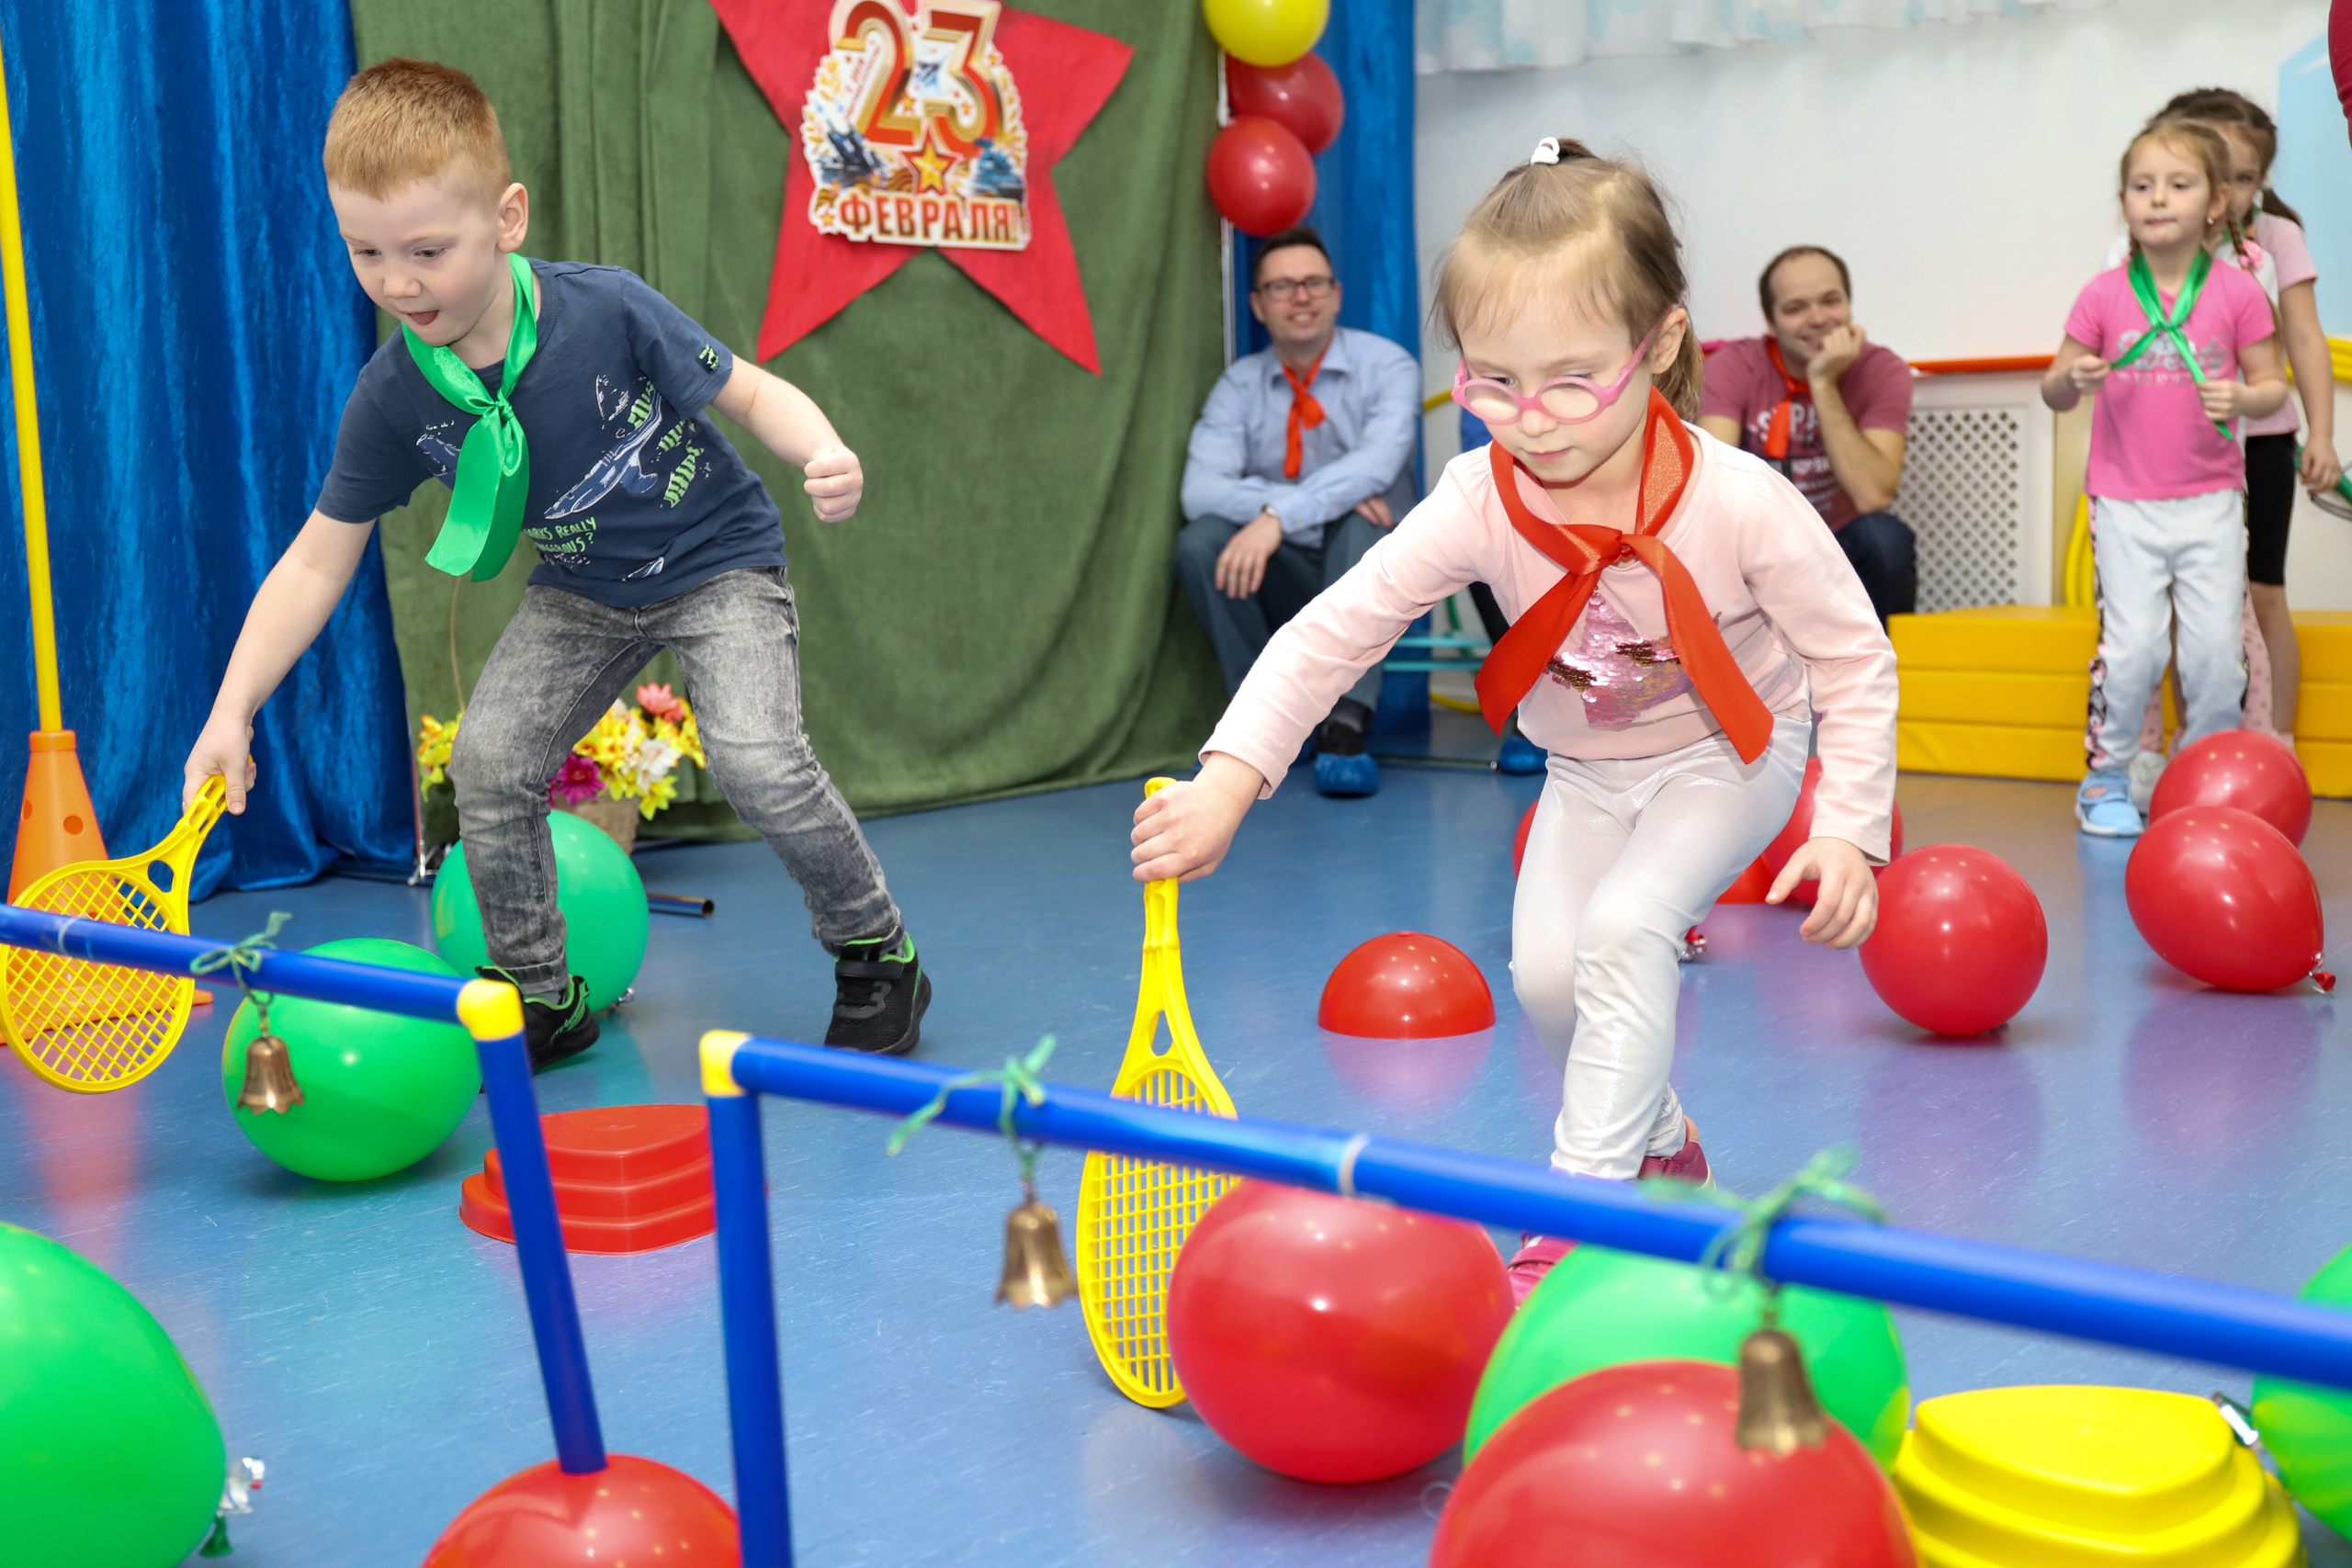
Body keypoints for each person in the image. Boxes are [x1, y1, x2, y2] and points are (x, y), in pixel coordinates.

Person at [1134, 138, 1896, 1304]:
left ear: (1662, 345)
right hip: (1584, 770)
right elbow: (1333, 631)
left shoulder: (1742, 503)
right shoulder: (1479, 497)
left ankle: (1574, 1210)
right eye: (1492, 380)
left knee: (1628, 931)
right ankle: (1659, 1143)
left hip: (1727, 751)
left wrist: (1843, 828)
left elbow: (1853, 659)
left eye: (1572, 380)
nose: (1529, 421)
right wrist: (1228, 781)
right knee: (1548, 978)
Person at [180, 60, 931, 1064]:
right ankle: (542, 993)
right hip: (584, 594)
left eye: (427, 250)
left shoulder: (605, 310)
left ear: (509, 218)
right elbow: (318, 560)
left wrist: (823, 450)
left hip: (718, 565)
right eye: (365, 251)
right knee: (488, 762)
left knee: (757, 759)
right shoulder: (396, 394)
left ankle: (876, 950)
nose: (397, 282)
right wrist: (231, 710)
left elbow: (749, 393)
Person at [2044, 118, 2287, 837]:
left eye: (2178, 186)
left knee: (2215, 652)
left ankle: (2203, 772)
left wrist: (2245, 399)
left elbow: (2275, 387)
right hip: (2122, 504)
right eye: (2141, 186)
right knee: (2135, 649)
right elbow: (2053, 387)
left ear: (2216, 203)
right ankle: (2107, 778)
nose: (2157, 199)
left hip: (2211, 501)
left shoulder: (2241, 293)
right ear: (2124, 202)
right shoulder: (2102, 294)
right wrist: (2071, 378)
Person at [2100, 90, 2338, 800]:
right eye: (2218, 172)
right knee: (2156, 616)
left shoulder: (2276, 241)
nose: (2230, 190)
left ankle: (2272, 749)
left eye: (2245, 176)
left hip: (2257, 441)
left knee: (2260, 594)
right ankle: (2151, 753)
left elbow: (2302, 338)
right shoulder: (2141, 245)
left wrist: (2320, 431)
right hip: (2162, 460)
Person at [1177, 226, 1420, 797]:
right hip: (1286, 573)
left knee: (1363, 519)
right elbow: (1200, 491)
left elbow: (1376, 468)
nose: (1301, 297)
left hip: (1373, 570)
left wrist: (1279, 515)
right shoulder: (1239, 387)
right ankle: (1261, 722)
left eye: (1312, 283)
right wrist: (1280, 512)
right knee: (1201, 541)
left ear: (1336, 293)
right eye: (1282, 287)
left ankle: (1346, 725)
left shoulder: (1388, 366)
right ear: (1257, 305)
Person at [1698, 246, 1916, 624]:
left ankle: (1879, 675)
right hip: (1758, 544)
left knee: (1886, 539)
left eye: (1830, 301)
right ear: (1771, 320)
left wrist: (1823, 381)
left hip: (1839, 541)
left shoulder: (1883, 369)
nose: (1817, 319)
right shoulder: (1732, 366)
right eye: (1796, 308)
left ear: (1849, 306)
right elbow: (1712, 489)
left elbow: (1872, 494)